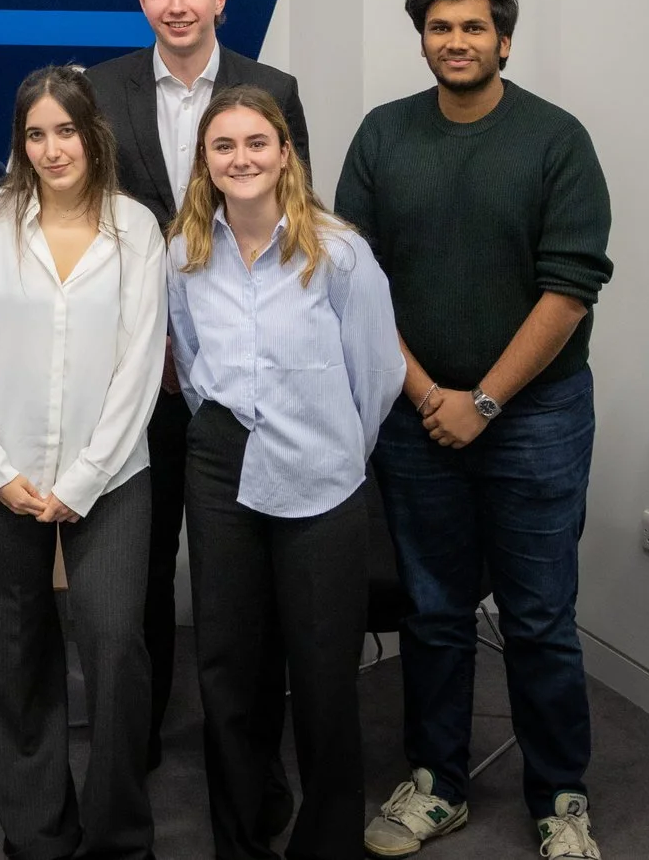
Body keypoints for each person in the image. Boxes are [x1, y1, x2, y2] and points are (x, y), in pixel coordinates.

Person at [337, 0, 612, 860]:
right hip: (418, 416)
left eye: (474, 27)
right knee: (435, 611)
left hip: (536, 414)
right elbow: (357, 283)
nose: (456, 40)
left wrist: (486, 399)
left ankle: (560, 794)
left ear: (504, 40)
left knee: (538, 614)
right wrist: (428, 397)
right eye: (440, 27)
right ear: (422, 39)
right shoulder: (383, 136)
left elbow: (569, 289)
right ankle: (438, 786)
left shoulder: (555, 139)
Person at [85, 0, 308, 780]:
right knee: (133, 575)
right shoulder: (99, 90)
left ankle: (236, 754)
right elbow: (86, 228)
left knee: (232, 579)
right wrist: (152, 345)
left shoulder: (271, 86)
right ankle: (130, 748)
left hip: (237, 386)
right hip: (135, 379)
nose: (176, 5)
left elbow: (296, 235)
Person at [170, 88, 405, 860]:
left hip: (321, 475)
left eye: (256, 143)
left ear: (284, 154)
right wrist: (227, 423)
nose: (241, 159)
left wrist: (336, 447)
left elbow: (377, 372)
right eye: (224, 145)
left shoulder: (337, 251)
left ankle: (326, 841)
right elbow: (188, 359)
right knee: (231, 672)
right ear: (205, 160)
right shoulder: (186, 251)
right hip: (219, 466)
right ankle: (242, 835)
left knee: (324, 676)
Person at [0, 64, 166, 860]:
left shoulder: (136, 227)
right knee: (14, 650)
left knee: (114, 645)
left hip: (110, 479)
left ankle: (118, 835)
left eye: (64, 129)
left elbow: (139, 366)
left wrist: (79, 481)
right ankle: (37, 830)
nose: (50, 147)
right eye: (35, 133)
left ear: (91, 132)